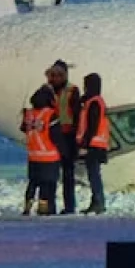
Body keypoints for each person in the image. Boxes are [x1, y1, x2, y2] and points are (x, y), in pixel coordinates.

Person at [45, 60, 81, 214]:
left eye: (59, 74)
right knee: (50, 173)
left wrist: (78, 138)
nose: (55, 78)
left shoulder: (72, 91)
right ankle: (49, 206)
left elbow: (77, 114)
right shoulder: (47, 91)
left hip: (68, 135)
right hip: (52, 134)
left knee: (67, 173)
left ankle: (69, 206)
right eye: (53, 75)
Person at [20, 86, 62, 215]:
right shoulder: (50, 114)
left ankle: (28, 205)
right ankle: (44, 208)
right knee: (47, 184)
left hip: (33, 156)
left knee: (33, 182)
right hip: (49, 156)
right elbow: (56, 135)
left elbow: (23, 128)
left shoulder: (29, 114)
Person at [76, 73, 110, 215]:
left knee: (94, 175)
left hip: (94, 144)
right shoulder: (93, 101)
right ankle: (96, 201)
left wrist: (85, 144)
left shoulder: (94, 102)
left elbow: (92, 125)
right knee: (93, 174)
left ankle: (98, 202)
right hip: (96, 143)